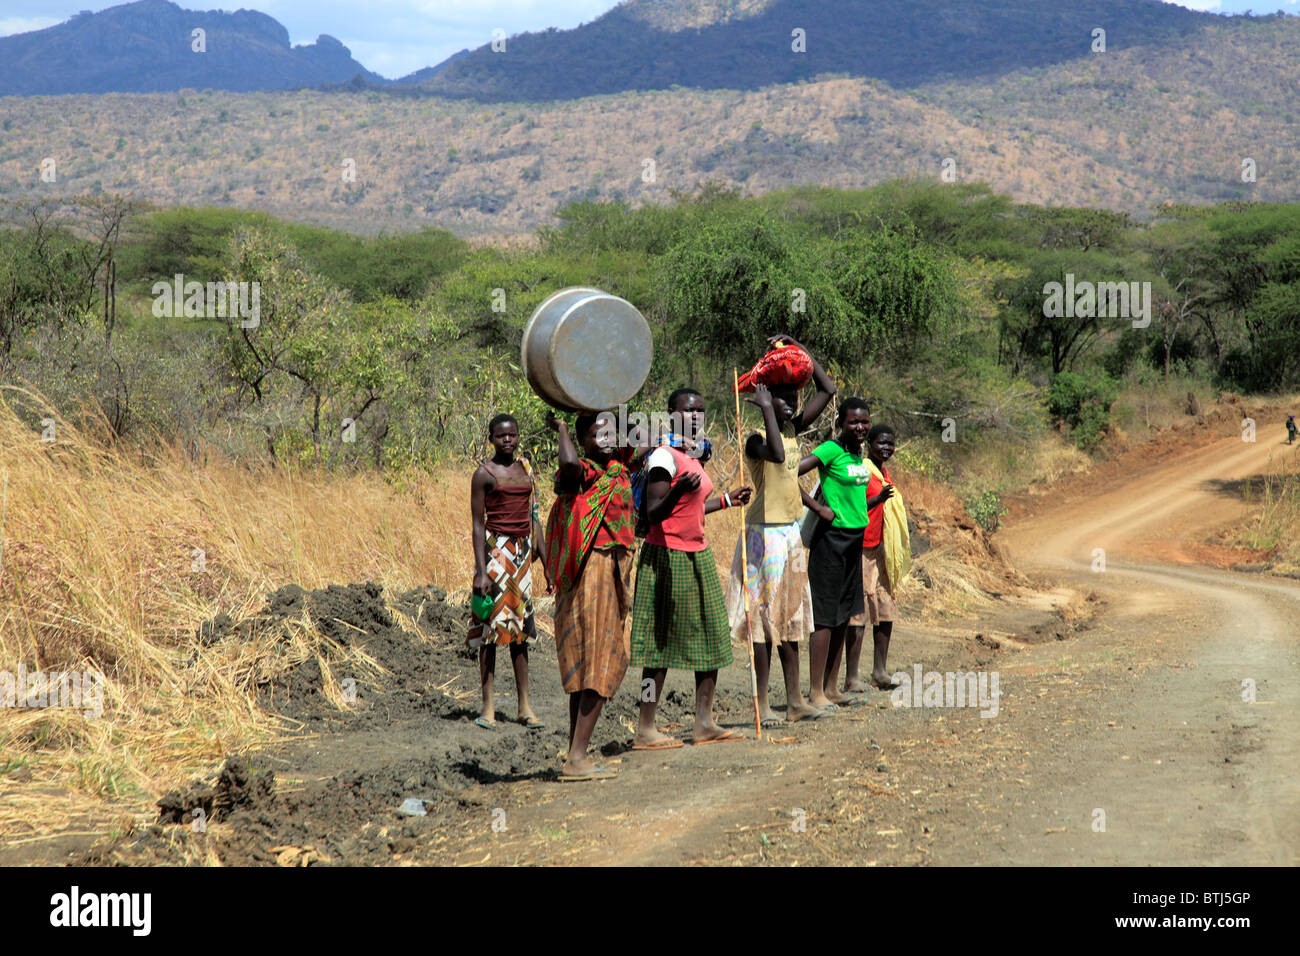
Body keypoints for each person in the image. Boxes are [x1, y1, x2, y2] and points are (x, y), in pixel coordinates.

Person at [631, 387, 753, 748]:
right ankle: (645, 727)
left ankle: (704, 722)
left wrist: (728, 500)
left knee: (713, 637)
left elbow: (693, 508)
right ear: (672, 415)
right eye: (688, 411)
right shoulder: (663, 458)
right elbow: (653, 513)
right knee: (658, 648)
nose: (696, 416)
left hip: (697, 554)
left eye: (700, 410)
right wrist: (674, 491)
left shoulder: (694, 455)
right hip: (665, 556)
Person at [727, 335, 836, 725]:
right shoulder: (756, 439)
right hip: (762, 536)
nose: (792, 402)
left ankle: (794, 701)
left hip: (789, 534)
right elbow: (774, 454)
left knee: (790, 621)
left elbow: (828, 389)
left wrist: (799, 346)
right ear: (764, 399)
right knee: (761, 624)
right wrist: (767, 406)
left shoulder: (791, 431)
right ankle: (762, 702)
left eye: (794, 395)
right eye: (782, 395)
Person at [544, 410, 641, 782]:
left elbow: (642, 435)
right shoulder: (583, 473)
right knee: (601, 659)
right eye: (597, 433)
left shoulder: (619, 467)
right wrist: (563, 430)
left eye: (611, 432)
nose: (607, 438)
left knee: (592, 661)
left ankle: (575, 753)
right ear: (583, 439)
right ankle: (577, 756)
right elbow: (567, 464)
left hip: (614, 568)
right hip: (592, 571)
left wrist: (613, 397)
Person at [798, 397, 880, 711]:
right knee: (824, 616)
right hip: (830, 540)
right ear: (841, 424)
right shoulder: (831, 449)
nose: (860, 427)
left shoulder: (857, 453)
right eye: (854, 422)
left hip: (854, 539)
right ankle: (816, 691)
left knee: (843, 613)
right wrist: (818, 507)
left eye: (864, 422)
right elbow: (789, 473)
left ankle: (832, 688)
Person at [468, 413, 547, 731]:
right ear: (491, 438)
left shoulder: (526, 469)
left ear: (518, 436)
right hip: (496, 554)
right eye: (501, 436)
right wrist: (481, 571)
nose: (508, 440)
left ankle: (524, 706)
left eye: (512, 435)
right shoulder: (484, 474)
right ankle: (488, 707)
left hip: (523, 554)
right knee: (489, 632)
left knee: (521, 632)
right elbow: (477, 524)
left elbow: (534, 516)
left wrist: (547, 561)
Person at [835, 424, 907, 693]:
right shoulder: (864, 470)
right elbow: (851, 505)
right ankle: (852, 677)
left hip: (880, 548)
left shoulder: (883, 472)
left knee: (886, 608)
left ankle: (879, 671)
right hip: (861, 547)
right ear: (870, 444)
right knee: (859, 612)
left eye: (891, 443)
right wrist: (877, 499)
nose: (886, 447)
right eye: (881, 443)